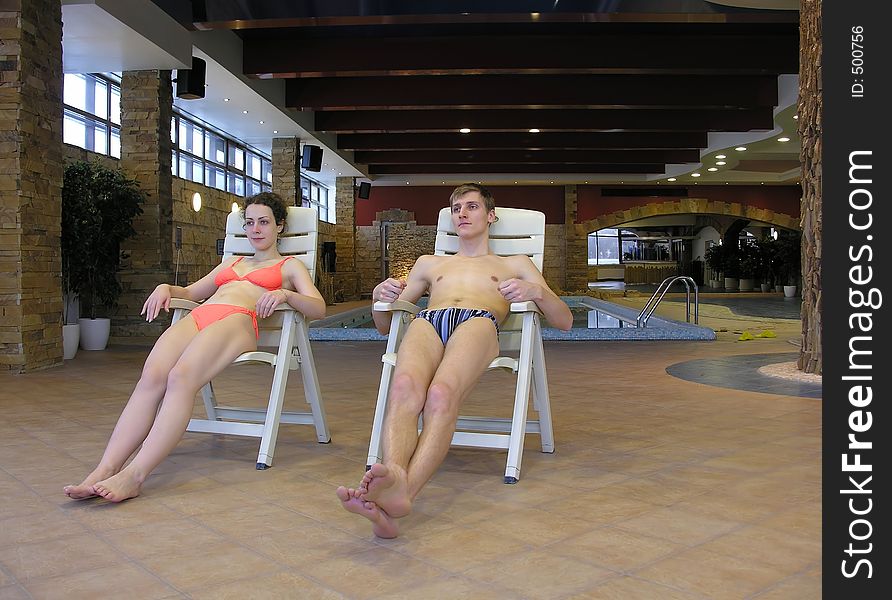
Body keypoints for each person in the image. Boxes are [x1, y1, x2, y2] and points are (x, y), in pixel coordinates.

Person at [337, 183, 572, 538]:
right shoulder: (429, 263)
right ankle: (396, 481)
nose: (461, 212)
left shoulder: (515, 263)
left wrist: (536, 292)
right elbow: (386, 325)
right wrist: (377, 297)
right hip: (429, 321)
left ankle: (405, 489)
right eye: (456, 207)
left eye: (471, 207)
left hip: (479, 321)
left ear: (490, 216)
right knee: (403, 388)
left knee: (441, 395)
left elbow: (565, 320)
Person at [64, 192, 326, 502]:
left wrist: (286, 296)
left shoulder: (289, 266)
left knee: (181, 377)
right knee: (152, 376)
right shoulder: (232, 262)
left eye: (264, 222)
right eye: (250, 222)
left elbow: (318, 307)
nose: (256, 229)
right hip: (201, 315)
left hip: (237, 321)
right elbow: (189, 291)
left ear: (279, 226)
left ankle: (135, 475)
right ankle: (104, 469)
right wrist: (165, 287)